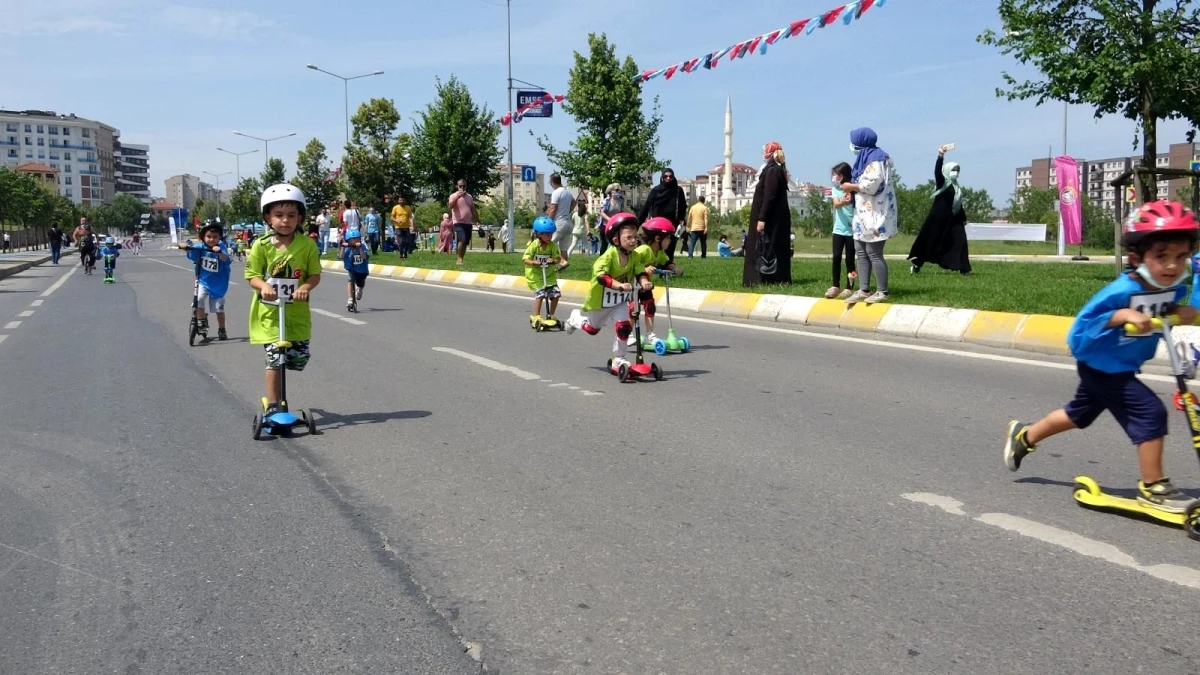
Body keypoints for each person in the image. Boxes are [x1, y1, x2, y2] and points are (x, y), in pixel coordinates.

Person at [1004, 200, 1200, 515]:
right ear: (1137, 257)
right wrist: (1121, 315)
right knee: (1150, 413)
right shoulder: (1119, 291)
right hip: (1101, 365)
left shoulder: (1169, 287)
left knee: (1079, 415)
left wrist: (1181, 311)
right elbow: (1081, 329)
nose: (1172, 266)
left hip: (1121, 364)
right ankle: (1154, 487)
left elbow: (1166, 311)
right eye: (1161, 256)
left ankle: (1024, 436)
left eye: (1181, 257)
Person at [246, 184, 322, 419]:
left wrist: (306, 287)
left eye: (291, 216)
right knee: (274, 358)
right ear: (268, 217)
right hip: (269, 313)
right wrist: (264, 286)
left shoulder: (307, 245)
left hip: (295, 312)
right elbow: (252, 276)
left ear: (300, 218)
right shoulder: (261, 245)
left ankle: (279, 393)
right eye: (278, 215)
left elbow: (314, 274)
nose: (285, 221)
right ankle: (272, 404)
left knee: (297, 358)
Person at [565, 213, 650, 377]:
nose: (633, 241)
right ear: (616, 240)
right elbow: (601, 276)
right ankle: (575, 318)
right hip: (601, 302)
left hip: (618, 302)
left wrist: (644, 281)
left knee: (624, 328)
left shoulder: (635, 256)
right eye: (629, 237)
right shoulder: (608, 256)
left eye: (635, 237)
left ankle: (619, 358)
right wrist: (619, 285)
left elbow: (640, 271)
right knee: (591, 329)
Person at [841, 128, 898, 305]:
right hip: (864, 213)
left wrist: (851, 186)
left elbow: (871, 185)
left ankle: (882, 291)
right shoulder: (866, 159)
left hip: (876, 213)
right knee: (860, 250)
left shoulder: (876, 159)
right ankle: (864, 289)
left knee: (874, 252)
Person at [908, 146, 971, 275]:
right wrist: (940, 156)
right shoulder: (942, 183)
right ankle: (917, 265)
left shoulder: (957, 187)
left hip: (954, 219)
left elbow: (958, 203)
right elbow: (937, 171)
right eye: (953, 170)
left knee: (961, 241)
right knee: (931, 243)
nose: (956, 172)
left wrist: (963, 218)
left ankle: (964, 269)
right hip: (938, 220)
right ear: (947, 171)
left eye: (958, 170)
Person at [743, 142, 792, 287]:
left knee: (767, 248)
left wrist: (762, 218)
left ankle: (766, 278)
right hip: (775, 218)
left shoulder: (772, 171)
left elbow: (769, 196)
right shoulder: (776, 169)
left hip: (769, 218)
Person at [629, 217, 681, 345]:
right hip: (634, 285)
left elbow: (667, 262)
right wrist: (645, 268)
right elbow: (632, 263)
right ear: (658, 238)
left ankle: (650, 335)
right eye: (668, 237)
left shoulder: (660, 253)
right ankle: (629, 334)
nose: (670, 241)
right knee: (633, 309)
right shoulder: (643, 250)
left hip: (647, 285)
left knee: (650, 307)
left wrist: (675, 268)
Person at [179, 222, 232, 340]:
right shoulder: (200, 247)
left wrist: (219, 252)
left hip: (219, 284)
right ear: (203, 237)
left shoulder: (221, 247)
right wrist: (185, 248)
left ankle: (222, 329)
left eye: (215, 237)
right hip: (203, 281)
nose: (211, 239)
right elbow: (192, 253)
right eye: (208, 237)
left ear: (219, 238)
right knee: (198, 300)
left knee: (219, 308)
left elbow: (226, 259)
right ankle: (201, 322)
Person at [638, 170, 688, 262]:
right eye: (665, 176)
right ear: (662, 177)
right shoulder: (656, 190)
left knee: (670, 246)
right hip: (657, 224)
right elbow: (647, 206)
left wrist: (681, 218)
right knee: (657, 246)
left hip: (672, 223)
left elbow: (683, 206)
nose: (668, 178)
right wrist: (637, 223)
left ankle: (668, 267)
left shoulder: (678, 190)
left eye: (670, 176)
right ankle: (653, 265)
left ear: (673, 177)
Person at [524, 216, 563, 326]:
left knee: (556, 294)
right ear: (539, 234)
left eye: (551, 234)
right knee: (540, 294)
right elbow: (525, 259)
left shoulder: (553, 246)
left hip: (549, 275)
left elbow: (558, 259)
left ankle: (551, 315)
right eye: (547, 234)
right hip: (536, 276)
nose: (550, 236)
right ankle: (536, 316)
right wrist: (533, 262)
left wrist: (553, 260)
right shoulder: (534, 245)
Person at [825, 162, 857, 299]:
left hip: (852, 231)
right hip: (838, 230)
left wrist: (852, 198)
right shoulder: (835, 190)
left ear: (843, 175)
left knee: (850, 259)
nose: (833, 177)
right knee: (836, 257)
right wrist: (845, 202)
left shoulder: (853, 189)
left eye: (836, 175)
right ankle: (835, 285)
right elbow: (836, 204)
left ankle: (850, 286)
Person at [546, 173, 575, 269]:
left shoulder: (556, 192)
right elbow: (574, 202)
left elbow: (553, 208)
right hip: (568, 223)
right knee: (563, 247)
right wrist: (567, 211)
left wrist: (548, 221)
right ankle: (563, 266)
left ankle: (561, 262)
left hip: (559, 223)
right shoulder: (567, 192)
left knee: (549, 244)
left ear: (552, 182)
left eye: (550, 182)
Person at [448, 179, 479, 266]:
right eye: (460, 186)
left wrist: (477, 219)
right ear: (457, 186)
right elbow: (450, 206)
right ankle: (459, 259)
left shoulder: (469, 197)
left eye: (464, 186)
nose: (462, 188)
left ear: (466, 186)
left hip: (468, 222)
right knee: (462, 239)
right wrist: (458, 197)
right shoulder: (453, 196)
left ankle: (461, 257)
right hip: (458, 221)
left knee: (465, 242)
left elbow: (473, 208)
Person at [341, 228, 370, 310]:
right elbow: (341, 256)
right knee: (350, 280)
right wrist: (343, 247)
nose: (355, 240)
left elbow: (363, 257)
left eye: (357, 238)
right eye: (353, 239)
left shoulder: (363, 246)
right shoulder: (347, 248)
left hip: (362, 269)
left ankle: (360, 290)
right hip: (351, 267)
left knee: (361, 283)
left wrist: (360, 247)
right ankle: (350, 298)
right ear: (348, 240)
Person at [596, 184, 626, 255]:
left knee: (616, 242)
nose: (619, 192)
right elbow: (602, 213)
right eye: (617, 190)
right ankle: (602, 259)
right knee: (604, 244)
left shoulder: (620, 201)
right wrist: (610, 220)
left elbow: (622, 211)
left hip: (616, 225)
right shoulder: (606, 201)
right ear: (611, 191)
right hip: (605, 225)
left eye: (620, 190)